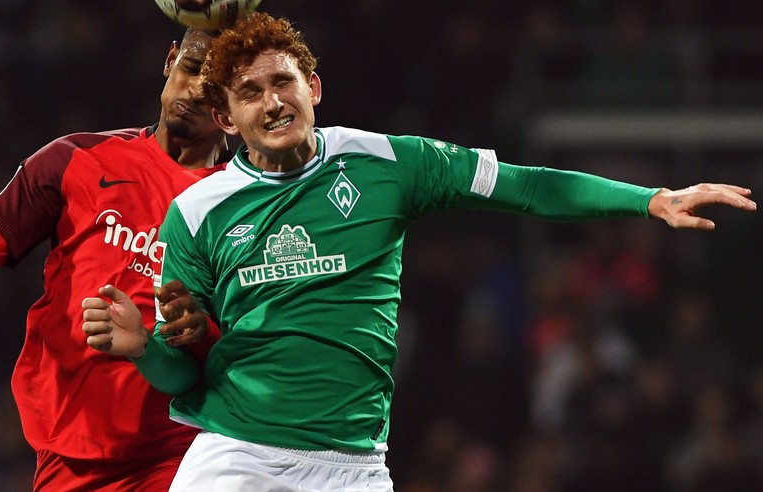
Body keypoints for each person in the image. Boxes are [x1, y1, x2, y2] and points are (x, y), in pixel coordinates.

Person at [81, 12, 757, 491]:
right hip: (236, 456)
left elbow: (524, 187)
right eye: (251, 93)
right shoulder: (195, 213)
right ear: (227, 119)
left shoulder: (388, 163)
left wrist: (646, 199)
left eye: (283, 82)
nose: (273, 102)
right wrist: (146, 349)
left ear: (312, 88)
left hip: (351, 466)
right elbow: (182, 378)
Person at [0, 28, 227, 491]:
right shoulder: (76, 159)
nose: (193, 92)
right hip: (71, 446)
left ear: (236, 104)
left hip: (181, 447)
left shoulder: (244, 203)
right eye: (190, 69)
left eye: (214, 89)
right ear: (170, 60)